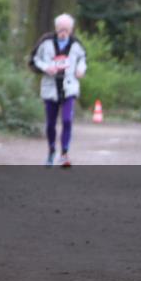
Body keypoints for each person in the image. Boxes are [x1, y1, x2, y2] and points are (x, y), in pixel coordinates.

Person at [28, 13, 88, 168]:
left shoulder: (76, 45)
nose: (63, 33)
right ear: (56, 28)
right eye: (61, 29)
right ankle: (51, 151)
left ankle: (64, 153)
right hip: (50, 87)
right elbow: (35, 59)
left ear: (71, 30)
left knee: (67, 120)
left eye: (67, 30)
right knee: (50, 123)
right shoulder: (46, 42)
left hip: (69, 86)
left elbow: (83, 59)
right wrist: (46, 67)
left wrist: (81, 69)